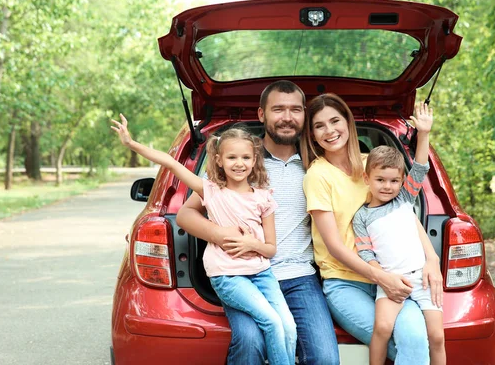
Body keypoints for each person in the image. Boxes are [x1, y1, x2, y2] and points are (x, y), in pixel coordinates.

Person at [177, 80, 340, 365]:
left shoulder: (317, 165)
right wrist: (219, 233)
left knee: (325, 357)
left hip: (300, 276)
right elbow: (185, 214)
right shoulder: (240, 162)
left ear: (304, 115)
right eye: (278, 109)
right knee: (250, 342)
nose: (287, 117)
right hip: (243, 274)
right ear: (262, 114)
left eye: (295, 110)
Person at [111, 115, 297, 365]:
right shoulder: (210, 190)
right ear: (219, 160)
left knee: (289, 328)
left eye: (245, 157)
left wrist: (251, 244)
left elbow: (270, 249)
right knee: (273, 323)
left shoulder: (264, 198)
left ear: (255, 160)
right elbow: (170, 163)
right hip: (229, 277)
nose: (239, 164)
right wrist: (132, 144)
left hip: (262, 274)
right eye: (232, 157)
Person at [301, 94, 443, 365]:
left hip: (395, 278)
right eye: (319, 126)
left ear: (348, 122)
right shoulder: (317, 176)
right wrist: (381, 277)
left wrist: (432, 259)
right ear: (312, 135)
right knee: (400, 343)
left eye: (335, 121)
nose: (330, 131)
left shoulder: (372, 164)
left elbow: (403, 213)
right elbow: (334, 246)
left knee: (416, 339)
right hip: (346, 283)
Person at [353, 125, 445, 365]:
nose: (387, 186)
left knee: (436, 336)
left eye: (394, 180)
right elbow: (365, 251)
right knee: (382, 329)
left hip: (422, 280)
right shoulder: (361, 216)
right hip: (392, 281)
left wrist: (423, 133)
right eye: (380, 179)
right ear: (366, 178)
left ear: (402, 181)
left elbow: (421, 167)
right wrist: (383, 275)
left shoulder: (404, 199)